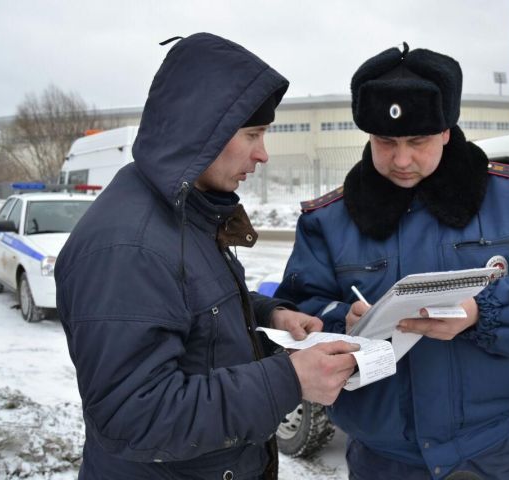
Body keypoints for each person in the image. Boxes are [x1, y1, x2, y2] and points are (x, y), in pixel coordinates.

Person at [274, 43, 509, 480]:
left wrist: (483, 312)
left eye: (417, 141)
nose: (402, 160)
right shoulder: (328, 220)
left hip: (489, 454)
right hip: (380, 459)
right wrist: (343, 319)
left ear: (446, 130)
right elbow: (298, 309)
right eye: (386, 142)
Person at [55, 33, 358, 480]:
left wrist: (270, 315)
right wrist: (288, 380)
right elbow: (133, 417)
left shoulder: (180, 212)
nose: (263, 154)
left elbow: (190, 308)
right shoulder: (128, 247)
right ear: (202, 130)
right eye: (252, 134)